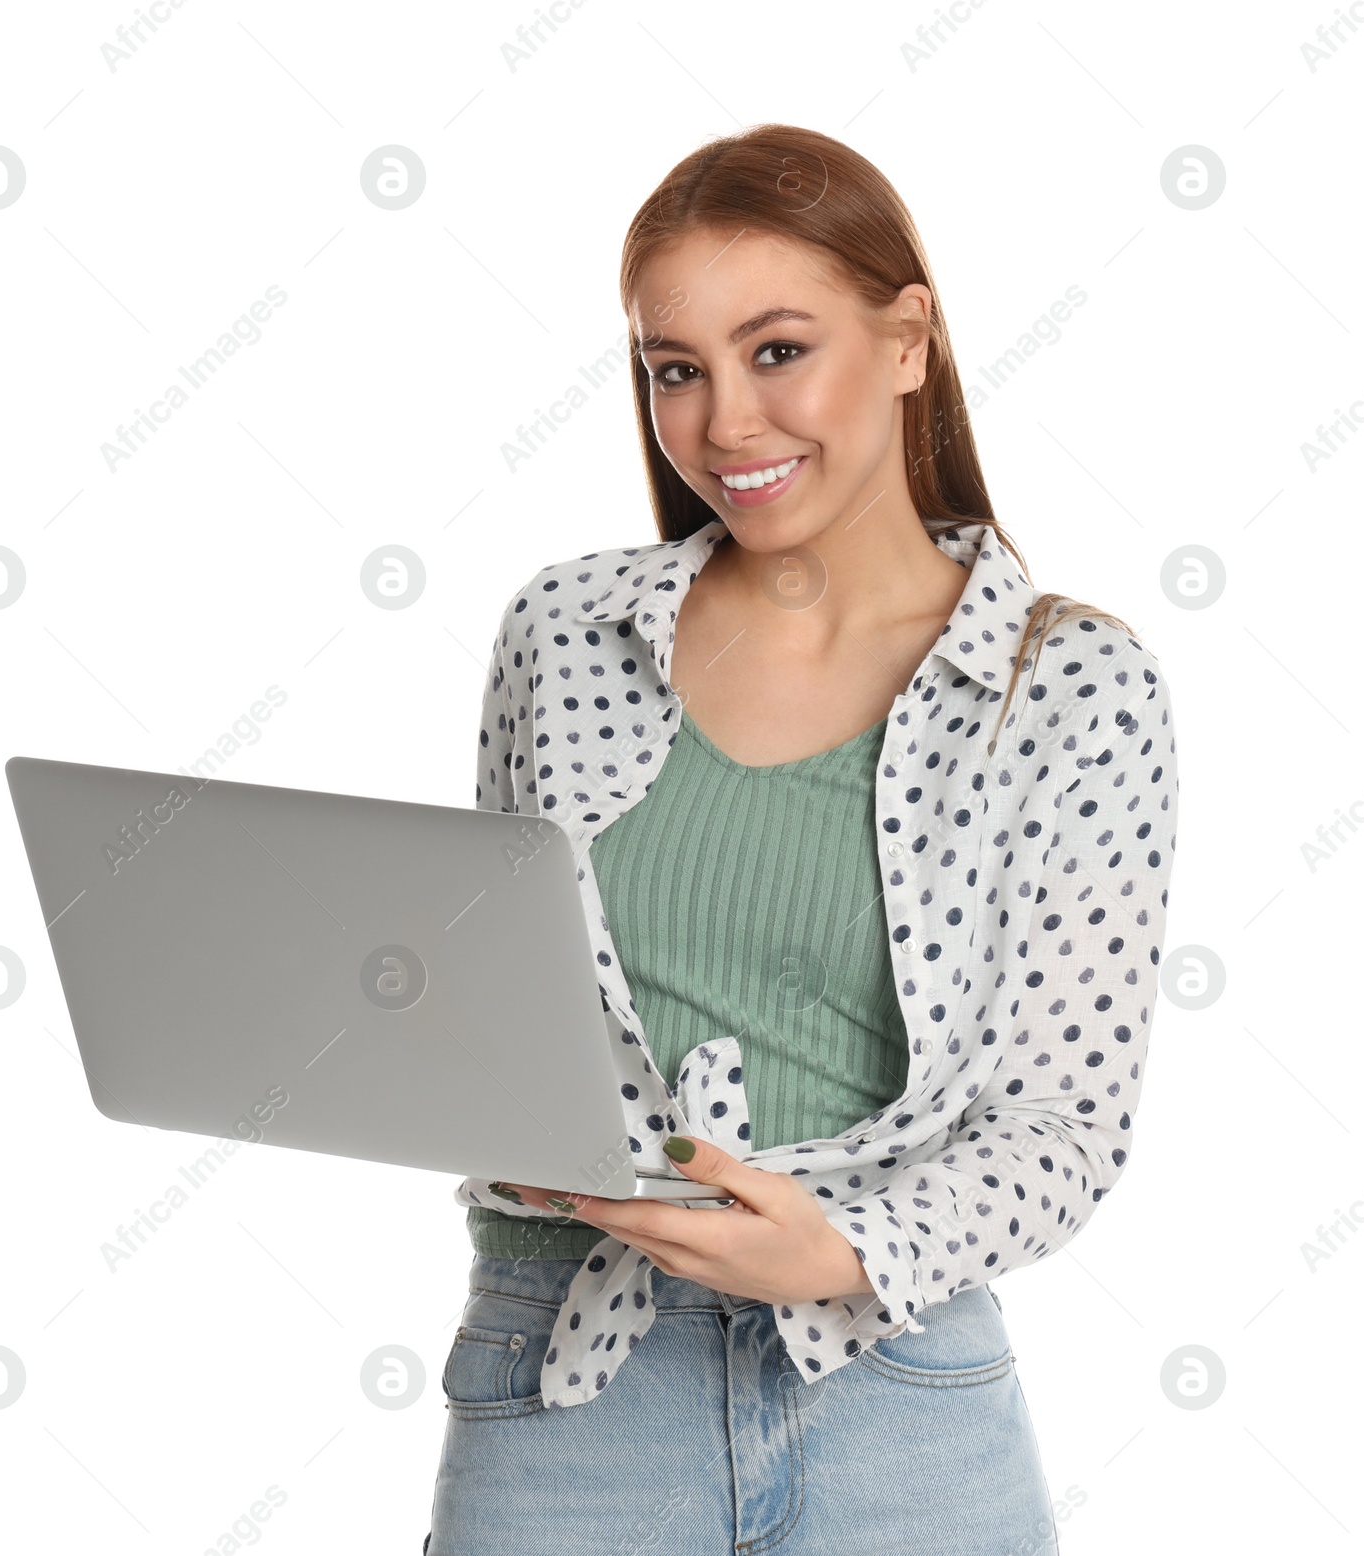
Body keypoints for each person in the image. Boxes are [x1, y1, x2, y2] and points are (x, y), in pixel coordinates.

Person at [424, 124, 1179, 1555]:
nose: (724, 424)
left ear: (908, 341)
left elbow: (1065, 1122)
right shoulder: (564, 633)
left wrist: (842, 1249)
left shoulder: (1070, 686)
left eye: (779, 350)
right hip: (568, 1376)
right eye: (676, 370)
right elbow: (496, 1011)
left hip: (897, 1389)